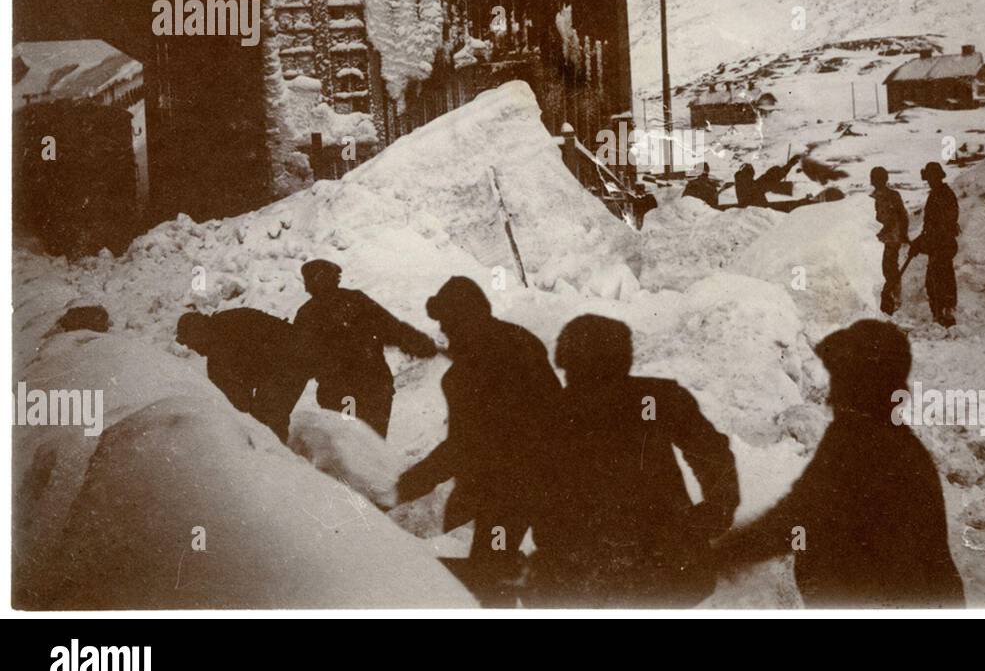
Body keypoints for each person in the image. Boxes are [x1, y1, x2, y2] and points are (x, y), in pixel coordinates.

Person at [713, 320, 964, 608]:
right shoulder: (894, 440)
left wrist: (719, 556)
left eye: (840, 377)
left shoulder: (861, 444)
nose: (833, 391)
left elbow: (797, 516)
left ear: (860, 384)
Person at [529, 314, 740, 608]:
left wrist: (715, 512)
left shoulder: (551, 413)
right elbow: (712, 453)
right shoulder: (658, 397)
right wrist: (717, 510)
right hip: (659, 569)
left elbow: (518, 490)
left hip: (591, 575)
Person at [396, 276, 562, 606]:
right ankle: (517, 575)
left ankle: (512, 582)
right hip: (556, 469)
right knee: (488, 547)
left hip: (514, 483)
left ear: (464, 318)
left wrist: (412, 482)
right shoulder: (520, 338)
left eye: (448, 323)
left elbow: (465, 443)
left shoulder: (466, 373)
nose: (445, 331)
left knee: (487, 569)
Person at [292, 259, 440, 438]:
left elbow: (302, 359)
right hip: (374, 387)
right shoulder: (356, 300)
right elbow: (393, 328)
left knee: (349, 445)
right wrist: (421, 344)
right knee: (372, 445)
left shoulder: (308, 313)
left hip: (344, 392)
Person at [176, 307, 309, 442]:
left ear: (199, 333)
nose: (191, 348)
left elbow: (276, 334)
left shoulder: (232, 323)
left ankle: (276, 458)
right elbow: (240, 403)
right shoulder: (216, 365)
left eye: (190, 342)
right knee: (261, 420)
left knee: (269, 417)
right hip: (284, 366)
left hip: (293, 361)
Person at [912, 161, 960, 327]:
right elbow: (929, 225)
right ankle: (939, 313)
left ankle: (945, 314)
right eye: (928, 178)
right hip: (937, 244)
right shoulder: (935, 194)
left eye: (932, 178)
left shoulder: (945, 194)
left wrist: (925, 241)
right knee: (936, 279)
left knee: (941, 278)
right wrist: (920, 241)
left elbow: (945, 223)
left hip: (943, 244)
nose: (930, 181)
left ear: (938, 177)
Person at [869, 166, 910, 316]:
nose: (875, 181)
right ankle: (887, 301)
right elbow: (903, 216)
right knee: (886, 270)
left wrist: (903, 234)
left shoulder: (889, 196)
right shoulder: (874, 197)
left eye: (877, 178)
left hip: (888, 239)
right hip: (883, 240)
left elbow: (902, 216)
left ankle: (890, 301)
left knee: (888, 270)